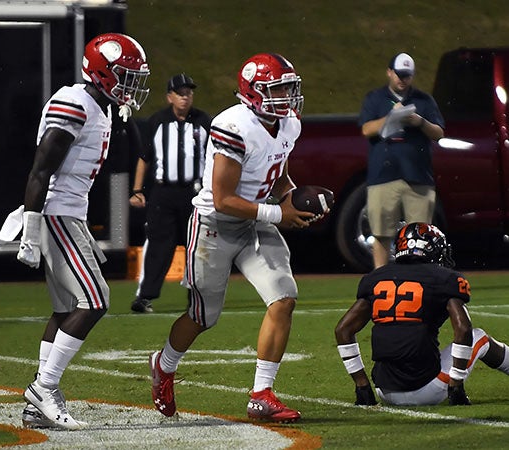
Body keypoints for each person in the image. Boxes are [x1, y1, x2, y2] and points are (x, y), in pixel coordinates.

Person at [149, 53, 314, 422]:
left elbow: (278, 171)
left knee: (284, 298)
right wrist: (278, 213)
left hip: (255, 220)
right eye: (278, 89)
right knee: (203, 316)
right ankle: (164, 365)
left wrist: (294, 198)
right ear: (254, 93)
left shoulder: (287, 124)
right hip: (214, 224)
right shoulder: (233, 125)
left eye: (289, 87)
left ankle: (262, 393)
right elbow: (223, 199)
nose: (287, 95)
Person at [16, 33, 150, 430]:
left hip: (68, 213)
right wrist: (31, 228)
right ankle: (44, 387)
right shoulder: (75, 102)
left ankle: (35, 406)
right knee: (94, 300)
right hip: (56, 212)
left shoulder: (100, 106)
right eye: (124, 76)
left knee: (64, 309)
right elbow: (41, 169)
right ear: (102, 71)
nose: (130, 86)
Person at [335, 222, 509, 406]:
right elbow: (464, 329)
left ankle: (362, 390)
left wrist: (362, 386)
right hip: (427, 389)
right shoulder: (444, 278)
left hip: (384, 390)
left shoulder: (375, 278)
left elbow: (343, 330)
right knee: (478, 336)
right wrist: (456, 385)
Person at [129, 73, 211, 314]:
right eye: (180, 93)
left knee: (197, 246)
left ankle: (196, 298)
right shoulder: (157, 122)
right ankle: (145, 297)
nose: (186, 98)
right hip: (163, 192)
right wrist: (137, 190)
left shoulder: (204, 121)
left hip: (195, 192)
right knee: (158, 246)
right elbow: (144, 158)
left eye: (189, 93)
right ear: (169, 97)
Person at [359, 53, 445, 268]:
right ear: (389, 72)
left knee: (421, 236)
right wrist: (390, 118)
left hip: (417, 176)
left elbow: (438, 133)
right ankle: (380, 280)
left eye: (406, 76)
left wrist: (420, 122)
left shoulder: (424, 100)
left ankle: (420, 280)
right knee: (381, 233)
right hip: (384, 175)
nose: (402, 80)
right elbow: (366, 129)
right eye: (398, 74)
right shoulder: (375, 98)